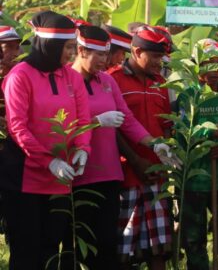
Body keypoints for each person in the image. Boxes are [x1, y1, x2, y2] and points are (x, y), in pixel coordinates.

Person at [69, 25, 177, 269]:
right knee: (81, 247)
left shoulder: (106, 81)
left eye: (106, 54)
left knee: (109, 246)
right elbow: (63, 124)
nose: (104, 60)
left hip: (110, 174)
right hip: (79, 174)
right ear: (80, 51)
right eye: (98, 54)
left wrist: (155, 143)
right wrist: (96, 122)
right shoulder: (67, 79)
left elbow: (127, 119)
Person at [0, 11, 92, 269]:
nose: (72, 54)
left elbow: (83, 120)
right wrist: (48, 161)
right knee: (27, 250)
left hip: (60, 179)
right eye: (68, 48)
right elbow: (18, 127)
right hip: (24, 177)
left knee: (52, 249)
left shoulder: (71, 76)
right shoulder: (19, 76)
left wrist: (83, 148)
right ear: (50, 46)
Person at [107, 26, 176, 269]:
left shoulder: (162, 83)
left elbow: (167, 126)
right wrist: (136, 161)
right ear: (137, 51)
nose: (160, 62)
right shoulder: (113, 79)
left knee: (159, 247)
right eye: (155, 56)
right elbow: (113, 128)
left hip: (156, 175)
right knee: (125, 246)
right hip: (126, 174)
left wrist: (165, 163)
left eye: (162, 56)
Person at [176, 38, 218, 270]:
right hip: (194, 179)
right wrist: (207, 142)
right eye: (207, 64)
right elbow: (181, 135)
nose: (214, 71)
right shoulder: (187, 96)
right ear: (196, 67)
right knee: (193, 240)